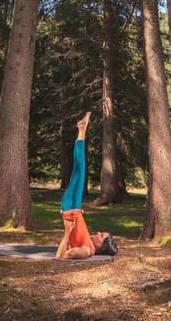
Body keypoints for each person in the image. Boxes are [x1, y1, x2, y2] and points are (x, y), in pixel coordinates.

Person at [55, 111, 118, 259]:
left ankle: (82, 130)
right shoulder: (88, 242)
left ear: (101, 246)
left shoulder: (87, 251)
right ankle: (82, 130)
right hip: (73, 207)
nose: (97, 233)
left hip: (71, 206)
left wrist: (67, 232)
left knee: (80, 167)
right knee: (79, 168)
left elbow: (61, 256)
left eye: (101, 235)